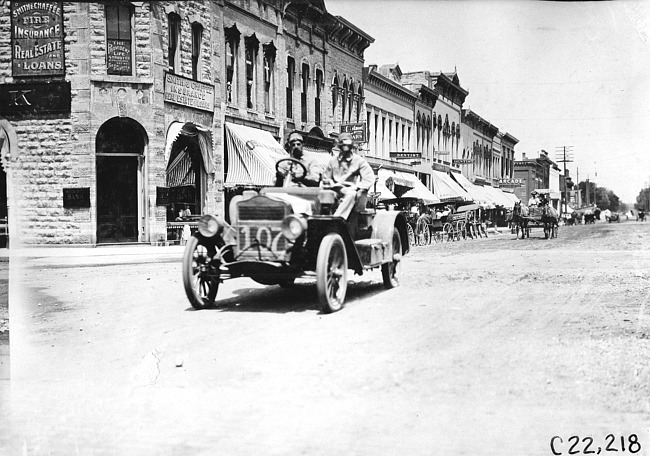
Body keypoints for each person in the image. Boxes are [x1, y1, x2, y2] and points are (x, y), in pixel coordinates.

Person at [321, 132, 375, 220]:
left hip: (351, 191)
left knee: (351, 194)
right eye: (343, 144)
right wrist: (332, 185)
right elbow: (326, 178)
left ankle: (337, 220)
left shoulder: (359, 161)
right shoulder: (333, 161)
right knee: (322, 195)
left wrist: (357, 187)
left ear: (351, 146)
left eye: (348, 144)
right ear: (339, 146)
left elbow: (369, 178)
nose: (345, 146)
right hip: (335, 190)